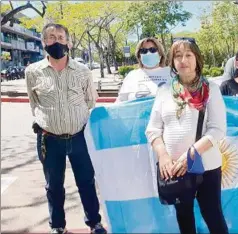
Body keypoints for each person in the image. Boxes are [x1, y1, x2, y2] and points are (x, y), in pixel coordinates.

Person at [25, 23, 106, 234]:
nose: (57, 41)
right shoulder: (33, 72)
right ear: (43, 42)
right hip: (49, 140)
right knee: (53, 186)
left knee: (86, 182)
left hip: (80, 137)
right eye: (51, 37)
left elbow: (90, 101)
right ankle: (58, 226)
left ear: (68, 42)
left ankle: (94, 222)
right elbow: (34, 102)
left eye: (61, 37)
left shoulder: (83, 71)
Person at [145, 39, 228, 234]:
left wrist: (191, 154)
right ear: (172, 61)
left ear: (197, 59)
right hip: (175, 169)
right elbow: (153, 129)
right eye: (178, 56)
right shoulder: (165, 91)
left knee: (213, 215)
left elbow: (217, 129)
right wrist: (163, 155)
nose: (183, 60)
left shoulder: (210, 90)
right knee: (184, 217)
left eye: (188, 55)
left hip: (206, 167)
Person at [115, 37, 171, 102]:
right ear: (139, 56)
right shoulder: (132, 75)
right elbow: (120, 102)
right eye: (143, 51)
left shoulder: (171, 73)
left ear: (160, 54)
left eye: (152, 50)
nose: (148, 53)